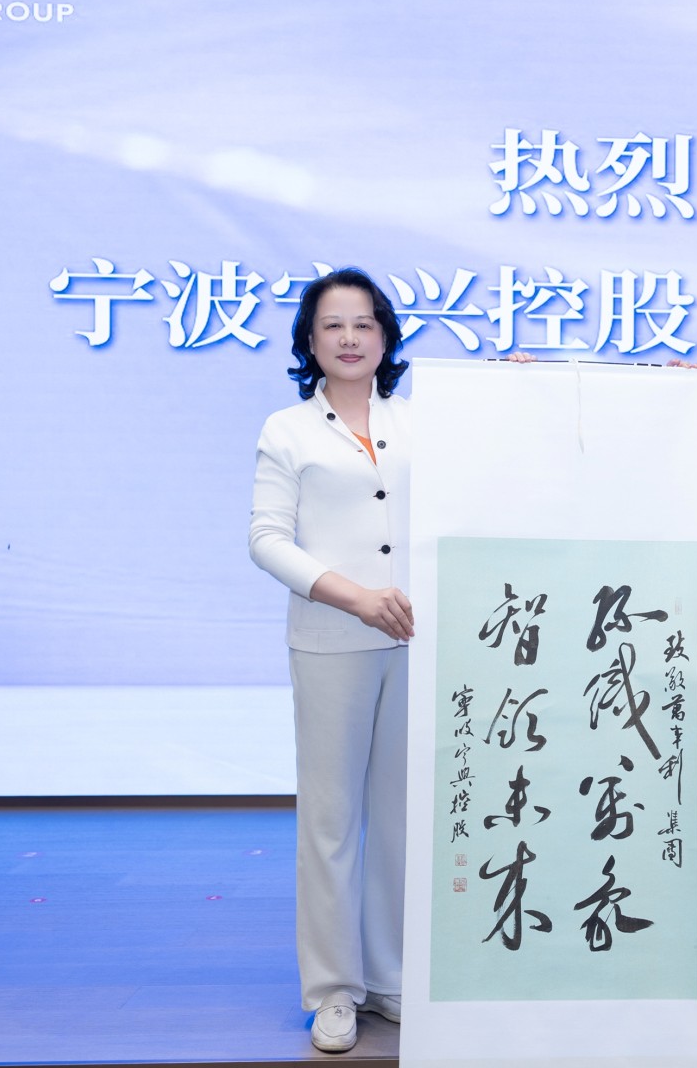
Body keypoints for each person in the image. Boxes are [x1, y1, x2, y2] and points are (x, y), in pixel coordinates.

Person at [249, 268, 415, 1054]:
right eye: (332, 325)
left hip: (416, 642)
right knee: (330, 821)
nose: (349, 338)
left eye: (363, 324)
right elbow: (266, 540)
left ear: (385, 337)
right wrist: (354, 597)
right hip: (331, 641)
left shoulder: (421, 423)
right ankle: (333, 992)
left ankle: (390, 976)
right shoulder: (287, 430)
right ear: (309, 341)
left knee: (400, 820)